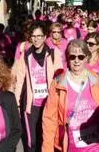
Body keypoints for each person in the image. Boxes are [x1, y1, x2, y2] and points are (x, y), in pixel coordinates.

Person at [41, 39, 99, 152]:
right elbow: (49, 119)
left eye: (81, 57)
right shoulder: (58, 83)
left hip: (94, 146)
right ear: (67, 58)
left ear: (87, 57)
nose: (76, 61)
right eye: (72, 57)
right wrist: (47, 149)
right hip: (69, 146)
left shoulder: (98, 80)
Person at [13, 21, 63, 152]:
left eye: (39, 36)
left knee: (46, 139)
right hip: (31, 105)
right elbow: (19, 80)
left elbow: (60, 78)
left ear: (45, 37)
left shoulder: (53, 53)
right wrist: (17, 103)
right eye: (34, 36)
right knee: (31, 141)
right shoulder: (26, 55)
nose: (36, 39)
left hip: (49, 104)